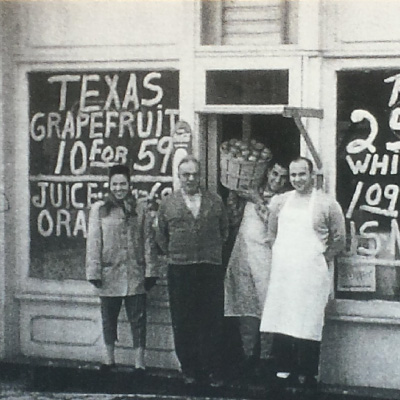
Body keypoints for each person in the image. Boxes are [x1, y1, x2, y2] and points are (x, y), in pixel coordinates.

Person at [260, 157, 346, 389]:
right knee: (283, 320)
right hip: (285, 275)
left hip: (311, 276)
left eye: (302, 174)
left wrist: (317, 259)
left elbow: (339, 241)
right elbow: (271, 235)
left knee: (308, 324)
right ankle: (283, 371)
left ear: (312, 175)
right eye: (293, 175)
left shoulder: (328, 205)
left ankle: (306, 375)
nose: (297, 179)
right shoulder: (280, 202)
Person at [156, 155, 229, 385]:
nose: (190, 179)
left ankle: (212, 368)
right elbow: (161, 237)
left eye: (194, 174)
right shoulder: (168, 203)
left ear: (200, 176)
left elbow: (224, 231)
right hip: (180, 268)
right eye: (185, 175)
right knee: (183, 319)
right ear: (179, 177)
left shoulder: (215, 201)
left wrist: (209, 250)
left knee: (211, 319)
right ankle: (189, 369)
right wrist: (178, 253)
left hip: (209, 267)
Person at [86, 164, 158, 372]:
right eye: (115, 184)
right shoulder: (100, 210)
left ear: (130, 184)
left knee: (138, 319)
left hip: (134, 273)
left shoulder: (140, 208)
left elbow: (148, 240)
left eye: (123, 183)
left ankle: (139, 363)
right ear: (109, 185)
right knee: (109, 318)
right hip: (109, 273)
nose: (119, 188)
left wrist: (150, 270)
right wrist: (94, 272)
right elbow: (94, 242)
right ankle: (109, 359)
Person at [224, 161, 289, 377]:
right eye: (274, 174)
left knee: (267, 306)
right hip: (242, 255)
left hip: (267, 258)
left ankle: (266, 357)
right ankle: (248, 355)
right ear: (267, 172)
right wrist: (234, 198)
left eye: (282, 177)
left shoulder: (284, 200)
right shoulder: (251, 193)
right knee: (245, 307)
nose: (277, 180)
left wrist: (257, 200)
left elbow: (274, 224)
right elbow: (232, 220)